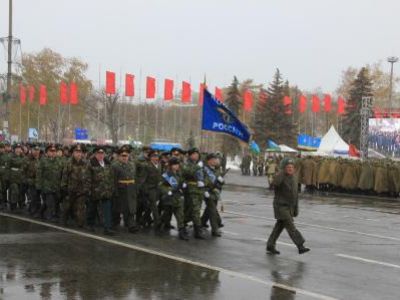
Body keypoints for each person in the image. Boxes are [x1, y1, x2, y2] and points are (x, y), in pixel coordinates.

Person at [266, 158, 310, 255]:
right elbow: (274, 184)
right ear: (284, 168)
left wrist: (295, 209)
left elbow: (295, 195)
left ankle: (270, 245)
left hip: (289, 207)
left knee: (279, 227)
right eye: (288, 167)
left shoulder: (294, 178)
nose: (290, 169)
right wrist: (281, 173)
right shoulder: (281, 176)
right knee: (291, 226)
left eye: (292, 167)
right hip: (280, 206)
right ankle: (300, 245)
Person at [86, 146, 115, 235]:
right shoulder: (91, 163)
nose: (101, 155)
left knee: (107, 209)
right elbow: (87, 178)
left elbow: (111, 177)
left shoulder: (107, 163)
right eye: (99, 153)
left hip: (106, 191)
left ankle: (107, 227)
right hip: (95, 191)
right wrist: (88, 190)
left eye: (102, 153)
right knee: (92, 208)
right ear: (95, 154)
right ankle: (90, 223)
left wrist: (111, 188)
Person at [159, 157, 189, 240]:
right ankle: (160, 223)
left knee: (180, 215)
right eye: (175, 164)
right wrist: (168, 191)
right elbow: (161, 186)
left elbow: (182, 181)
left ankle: (181, 231)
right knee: (167, 214)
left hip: (178, 198)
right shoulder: (166, 175)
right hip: (169, 198)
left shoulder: (179, 173)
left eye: (177, 164)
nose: (177, 166)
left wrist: (184, 185)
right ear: (171, 165)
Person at [112, 145, 139, 233]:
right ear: (119, 156)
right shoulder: (115, 166)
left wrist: (136, 189)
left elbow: (135, 178)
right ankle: (115, 222)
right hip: (121, 189)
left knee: (131, 208)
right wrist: (115, 192)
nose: (125, 157)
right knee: (118, 208)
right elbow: (114, 180)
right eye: (123, 156)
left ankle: (131, 225)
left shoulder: (132, 165)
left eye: (126, 155)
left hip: (131, 189)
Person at [61, 144, 89, 227]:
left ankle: (80, 223)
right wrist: (64, 188)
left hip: (81, 190)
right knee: (66, 207)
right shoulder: (68, 163)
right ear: (73, 153)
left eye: (80, 152)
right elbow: (64, 176)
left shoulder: (86, 163)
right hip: (70, 189)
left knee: (80, 209)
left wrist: (87, 188)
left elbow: (88, 177)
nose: (78, 154)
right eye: (76, 152)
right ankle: (64, 220)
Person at [36, 144, 63, 221]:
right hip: (46, 186)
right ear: (47, 152)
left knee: (51, 202)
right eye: (51, 151)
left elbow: (61, 173)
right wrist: (39, 186)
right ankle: (50, 216)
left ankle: (40, 213)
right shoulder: (43, 161)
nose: (53, 153)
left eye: (54, 151)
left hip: (56, 186)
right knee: (50, 202)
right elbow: (39, 174)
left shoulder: (59, 162)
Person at [202, 153, 225, 237]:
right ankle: (215, 229)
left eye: (216, 159)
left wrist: (221, 181)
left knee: (209, 209)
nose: (216, 161)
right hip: (207, 192)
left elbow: (221, 182)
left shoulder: (215, 170)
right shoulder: (204, 170)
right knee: (212, 210)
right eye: (214, 159)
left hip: (215, 193)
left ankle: (201, 222)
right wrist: (204, 191)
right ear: (209, 160)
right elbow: (201, 180)